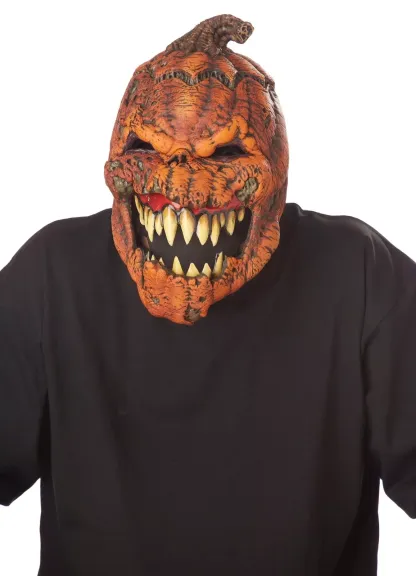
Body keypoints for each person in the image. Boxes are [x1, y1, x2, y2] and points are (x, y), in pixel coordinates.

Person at [1, 13, 415, 576]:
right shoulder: (54, 273)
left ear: (275, 164)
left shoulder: (359, 274)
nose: (180, 182)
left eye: (223, 153)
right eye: (149, 148)